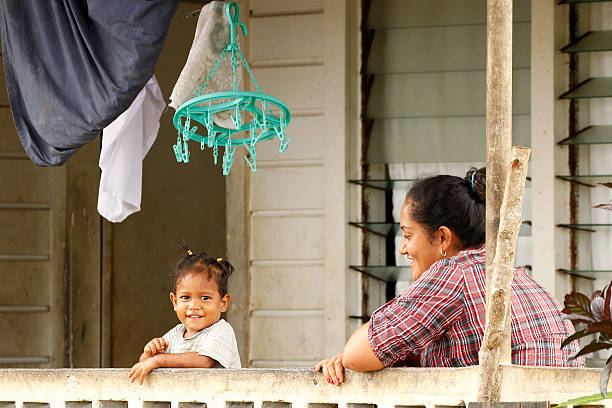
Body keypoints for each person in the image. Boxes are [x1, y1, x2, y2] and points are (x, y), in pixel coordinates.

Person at [314, 167, 584, 385]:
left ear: (443, 237)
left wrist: (346, 357)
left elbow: (357, 354)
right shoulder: (513, 274)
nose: (403, 248)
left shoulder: (455, 272)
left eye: (408, 235)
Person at [129, 246, 241, 384]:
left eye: (205, 298)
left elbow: (204, 361)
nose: (194, 306)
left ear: (223, 303)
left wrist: (159, 360)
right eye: (186, 297)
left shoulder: (221, 331)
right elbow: (145, 365)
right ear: (175, 302)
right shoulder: (175, 334)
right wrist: (149, 353)